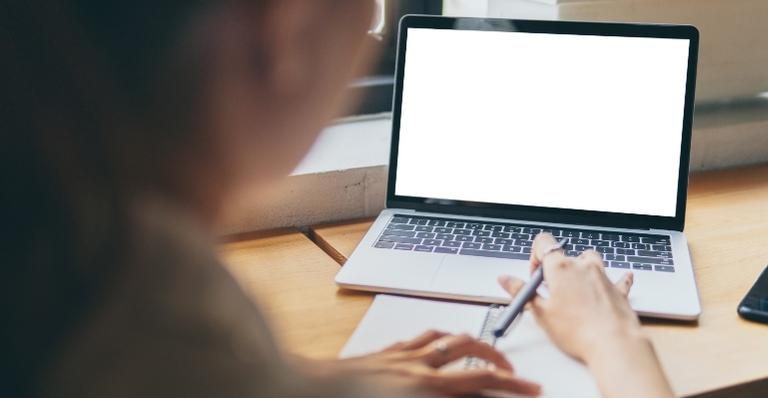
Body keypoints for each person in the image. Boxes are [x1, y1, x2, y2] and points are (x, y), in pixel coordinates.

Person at [1, 1, 674, 397]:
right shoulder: (163, 322)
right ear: (284, 30)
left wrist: (300, 381)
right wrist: (615, 342)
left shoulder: (60, 239)